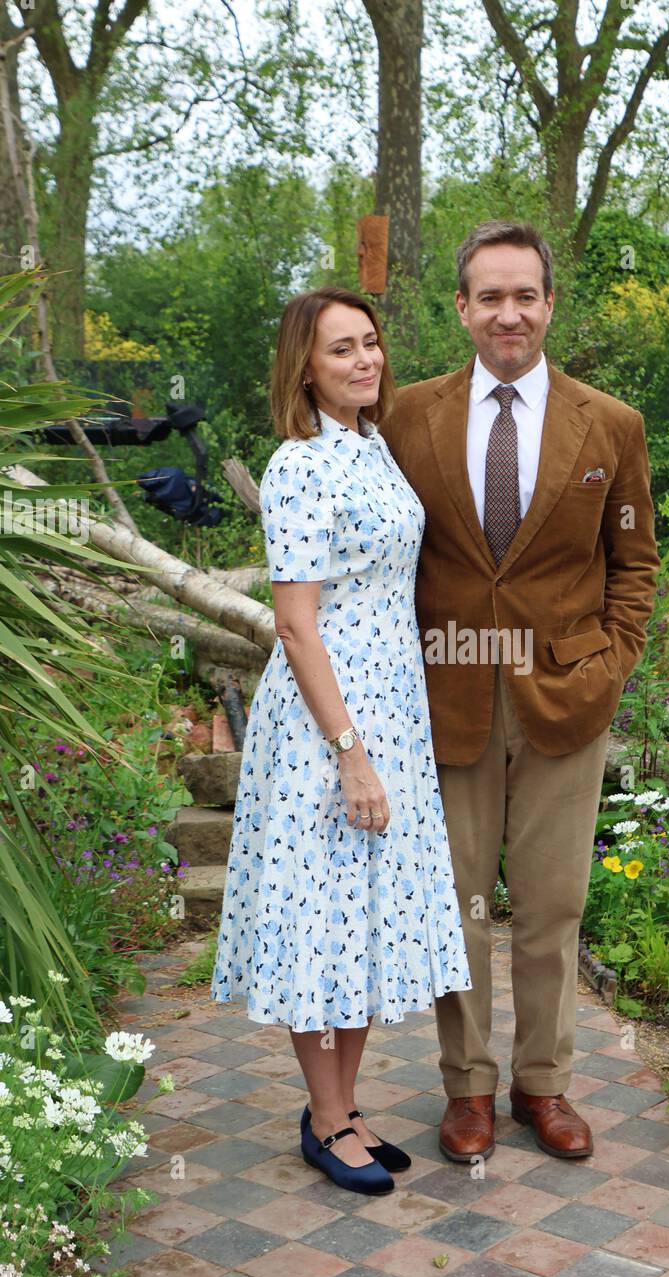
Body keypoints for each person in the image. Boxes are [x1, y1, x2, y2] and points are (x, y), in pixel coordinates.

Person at [378, 220, 660, 1163]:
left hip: (563, 699)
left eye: (524, 295)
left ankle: (544, 1085)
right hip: (442, 692)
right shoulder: (405, 416)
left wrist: (610, 662)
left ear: (548, 305)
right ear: (461, 308)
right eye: (489, 296)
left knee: (550, 907)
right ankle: (467, 1089)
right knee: (455, 903)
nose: (509, 312)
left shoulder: (609, 424)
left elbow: (634, 560)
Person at [211, 286, 472, 1195]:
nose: (364, 361)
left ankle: (346, 1106)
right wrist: (350, 751)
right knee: (321, 920)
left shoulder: (372, 448)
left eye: (369, 344)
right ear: (304, 368)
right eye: (340, 350)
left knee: (363, 917)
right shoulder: (300, 466)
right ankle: (323, 1121)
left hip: (392, 714)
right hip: (331, 726)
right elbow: (295, 626)